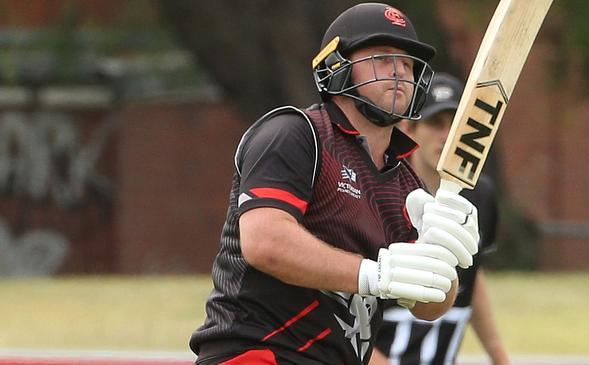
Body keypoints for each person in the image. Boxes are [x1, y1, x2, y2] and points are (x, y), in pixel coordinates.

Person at [189, 4, 480, 365]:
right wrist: (374, 274)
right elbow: (263, 242)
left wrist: (443, 260)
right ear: (336, 66)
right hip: (258, 355)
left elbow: (429, 306)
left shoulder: (406, 181)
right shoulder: (295, 134)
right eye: (381, 58)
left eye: (407, 63)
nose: (399, 72)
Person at [370, 73, 511, 365]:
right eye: (435, 124)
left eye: (455, 125)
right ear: (409, 128)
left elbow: (472, 276)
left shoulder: (480, 194)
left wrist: (499, 356)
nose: (446, 136)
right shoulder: (379, 192)